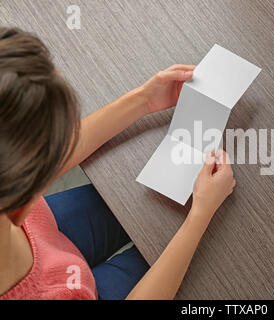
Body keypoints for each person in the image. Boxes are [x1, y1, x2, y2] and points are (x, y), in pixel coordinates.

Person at [0, 27, 236, 300]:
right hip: (76, 287)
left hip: (48, 234)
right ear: (19, 207)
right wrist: (200, 215)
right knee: (166, 243)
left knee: (143, 210)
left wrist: (144, 99)